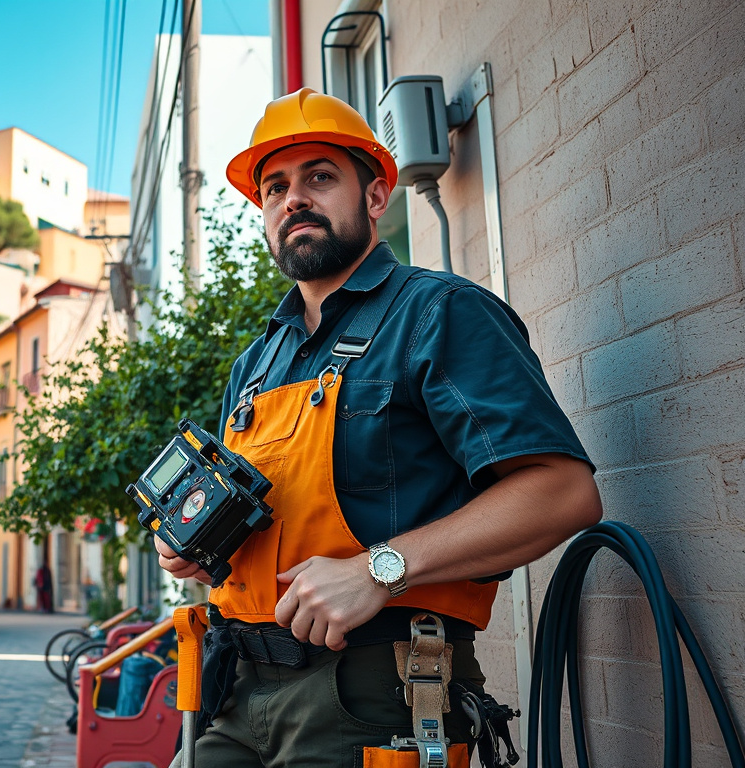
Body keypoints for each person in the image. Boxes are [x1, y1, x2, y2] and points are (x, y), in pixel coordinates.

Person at [157, 88, 602, 766]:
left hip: (378, 691)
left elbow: (563, 492)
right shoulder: (255, 364)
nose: (293, 199)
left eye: (319, 177)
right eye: (275, 188)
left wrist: (378, 571)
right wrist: (199, 549)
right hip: (238, 693)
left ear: (374, 197)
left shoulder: (439, 312)